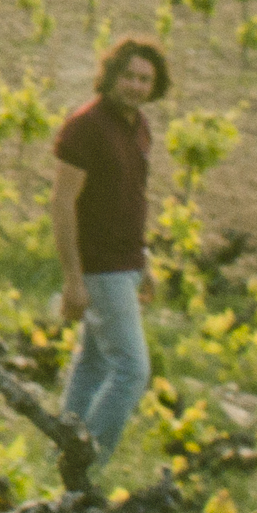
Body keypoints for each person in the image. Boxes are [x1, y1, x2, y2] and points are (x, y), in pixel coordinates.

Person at [49, 36, 172, 454]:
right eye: (129, 76)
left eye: (145, 79)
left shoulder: (138, 126)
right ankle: (86, 466)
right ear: (111, 76)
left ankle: (61, 453)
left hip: (127, 262)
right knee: (132, 371)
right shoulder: (85, 126)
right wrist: (73, 279)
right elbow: (62, 204)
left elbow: (131, 197)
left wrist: (145, 262)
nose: (137, 85)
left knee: (93, 364)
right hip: (101, 267)